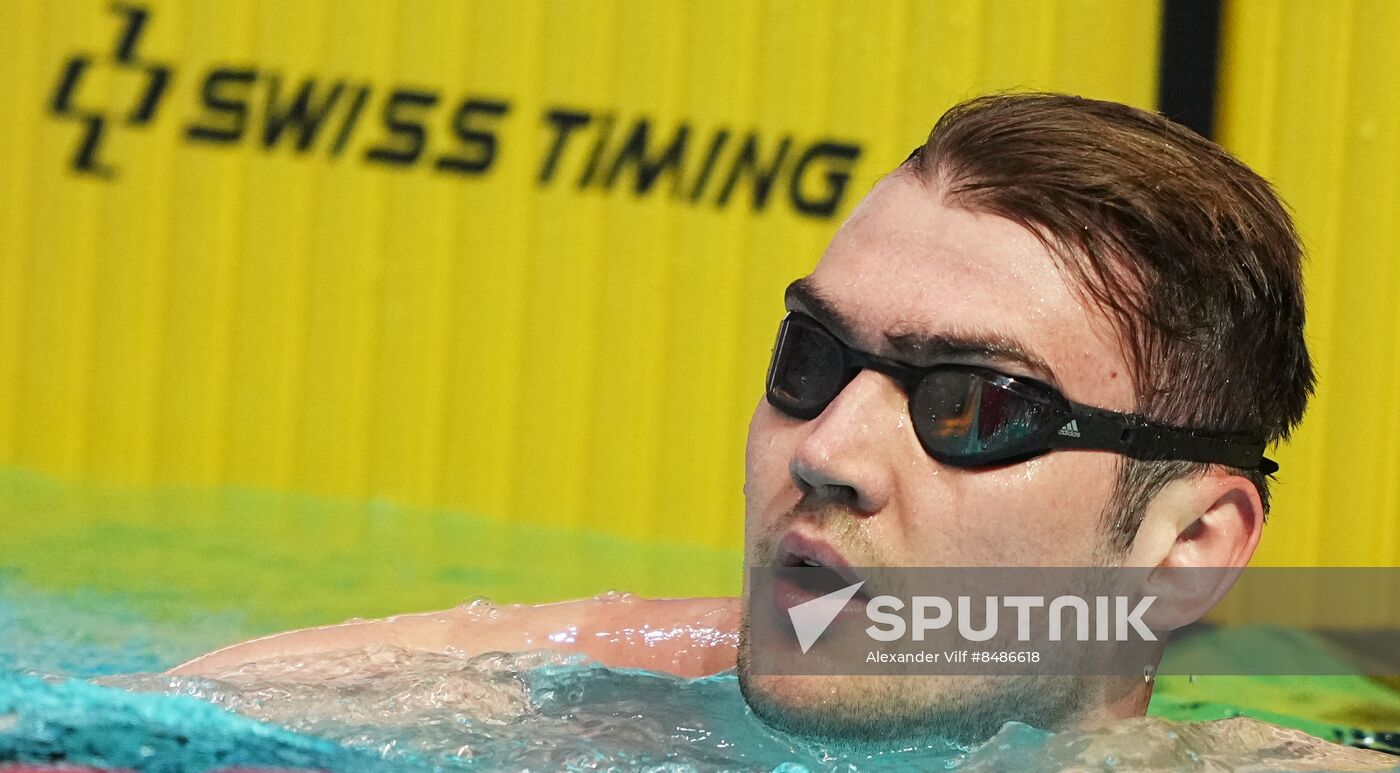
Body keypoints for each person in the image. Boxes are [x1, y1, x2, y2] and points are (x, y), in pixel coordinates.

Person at [171, 93, 1375, 755]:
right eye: (814, 357)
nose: (824, 451)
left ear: (1186, 551)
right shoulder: (546, 697)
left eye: (971, 405)